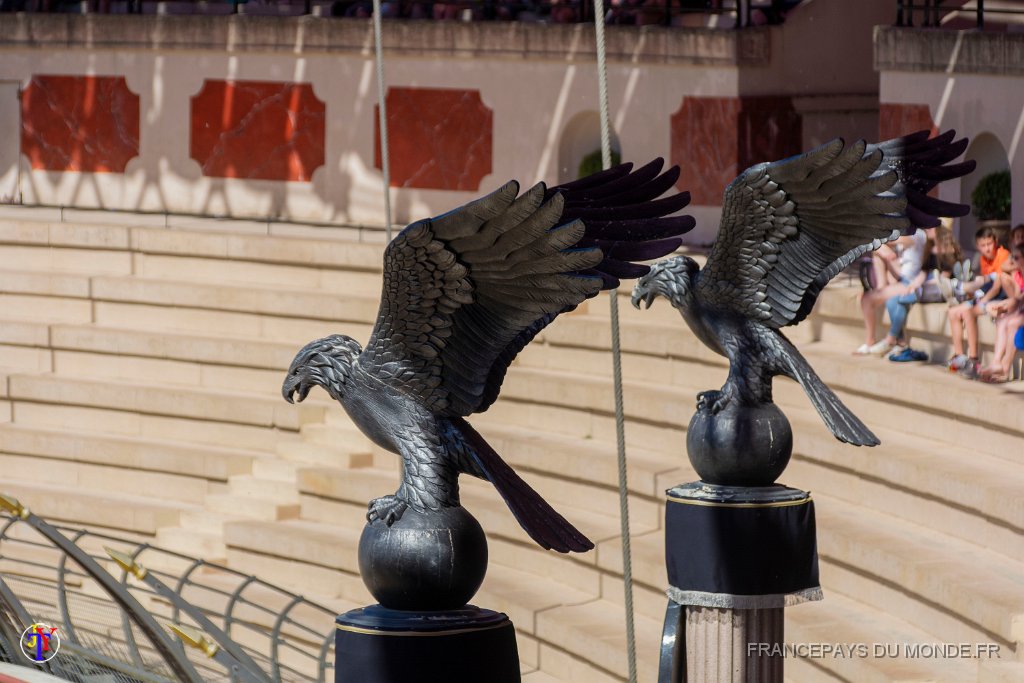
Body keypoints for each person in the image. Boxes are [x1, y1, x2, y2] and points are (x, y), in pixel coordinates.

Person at [940, 225, 1011, 378]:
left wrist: (980, 300)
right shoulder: (983, 259)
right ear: (978, 246)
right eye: (983, 245)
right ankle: (959, 356)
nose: (987, 248)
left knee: (967, 312)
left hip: (999, 298)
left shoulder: (1003, 254)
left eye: (989, 244)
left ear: (996, 242)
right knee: (953, 312)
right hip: (987, 296)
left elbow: (996, 287)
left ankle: (973, 359)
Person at [887, 224, 960, 362]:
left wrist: (920, 287)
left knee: (902, 299)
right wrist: (913, 285)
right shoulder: (930, 249)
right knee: (894, 299)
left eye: (930, 228)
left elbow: (944, 277)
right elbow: (924, 272)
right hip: (928, 286)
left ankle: (892, 338)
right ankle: (900, 341)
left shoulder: (948, 249)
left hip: (941, 288)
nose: (927, 230)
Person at [856, 227, 930, 356]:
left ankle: (873, 341)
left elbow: (893, 240)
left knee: (869, 299)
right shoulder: (904, 233)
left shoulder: (918, 234)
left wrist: (881, 248)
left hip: (909, 283)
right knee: (878, 250)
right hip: (897, 278)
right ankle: (880, 287)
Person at [978, 242, 1024, 383]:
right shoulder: (1018, 274)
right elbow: (1017, 298)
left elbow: (1018, 300)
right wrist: (1005, 305)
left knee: (1013, 322)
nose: (1012, 261)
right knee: (1003, 319)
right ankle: (997, 362)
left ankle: (1005, 368)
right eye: (1012, 257)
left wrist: (1012, 303)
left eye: (1016, 258)